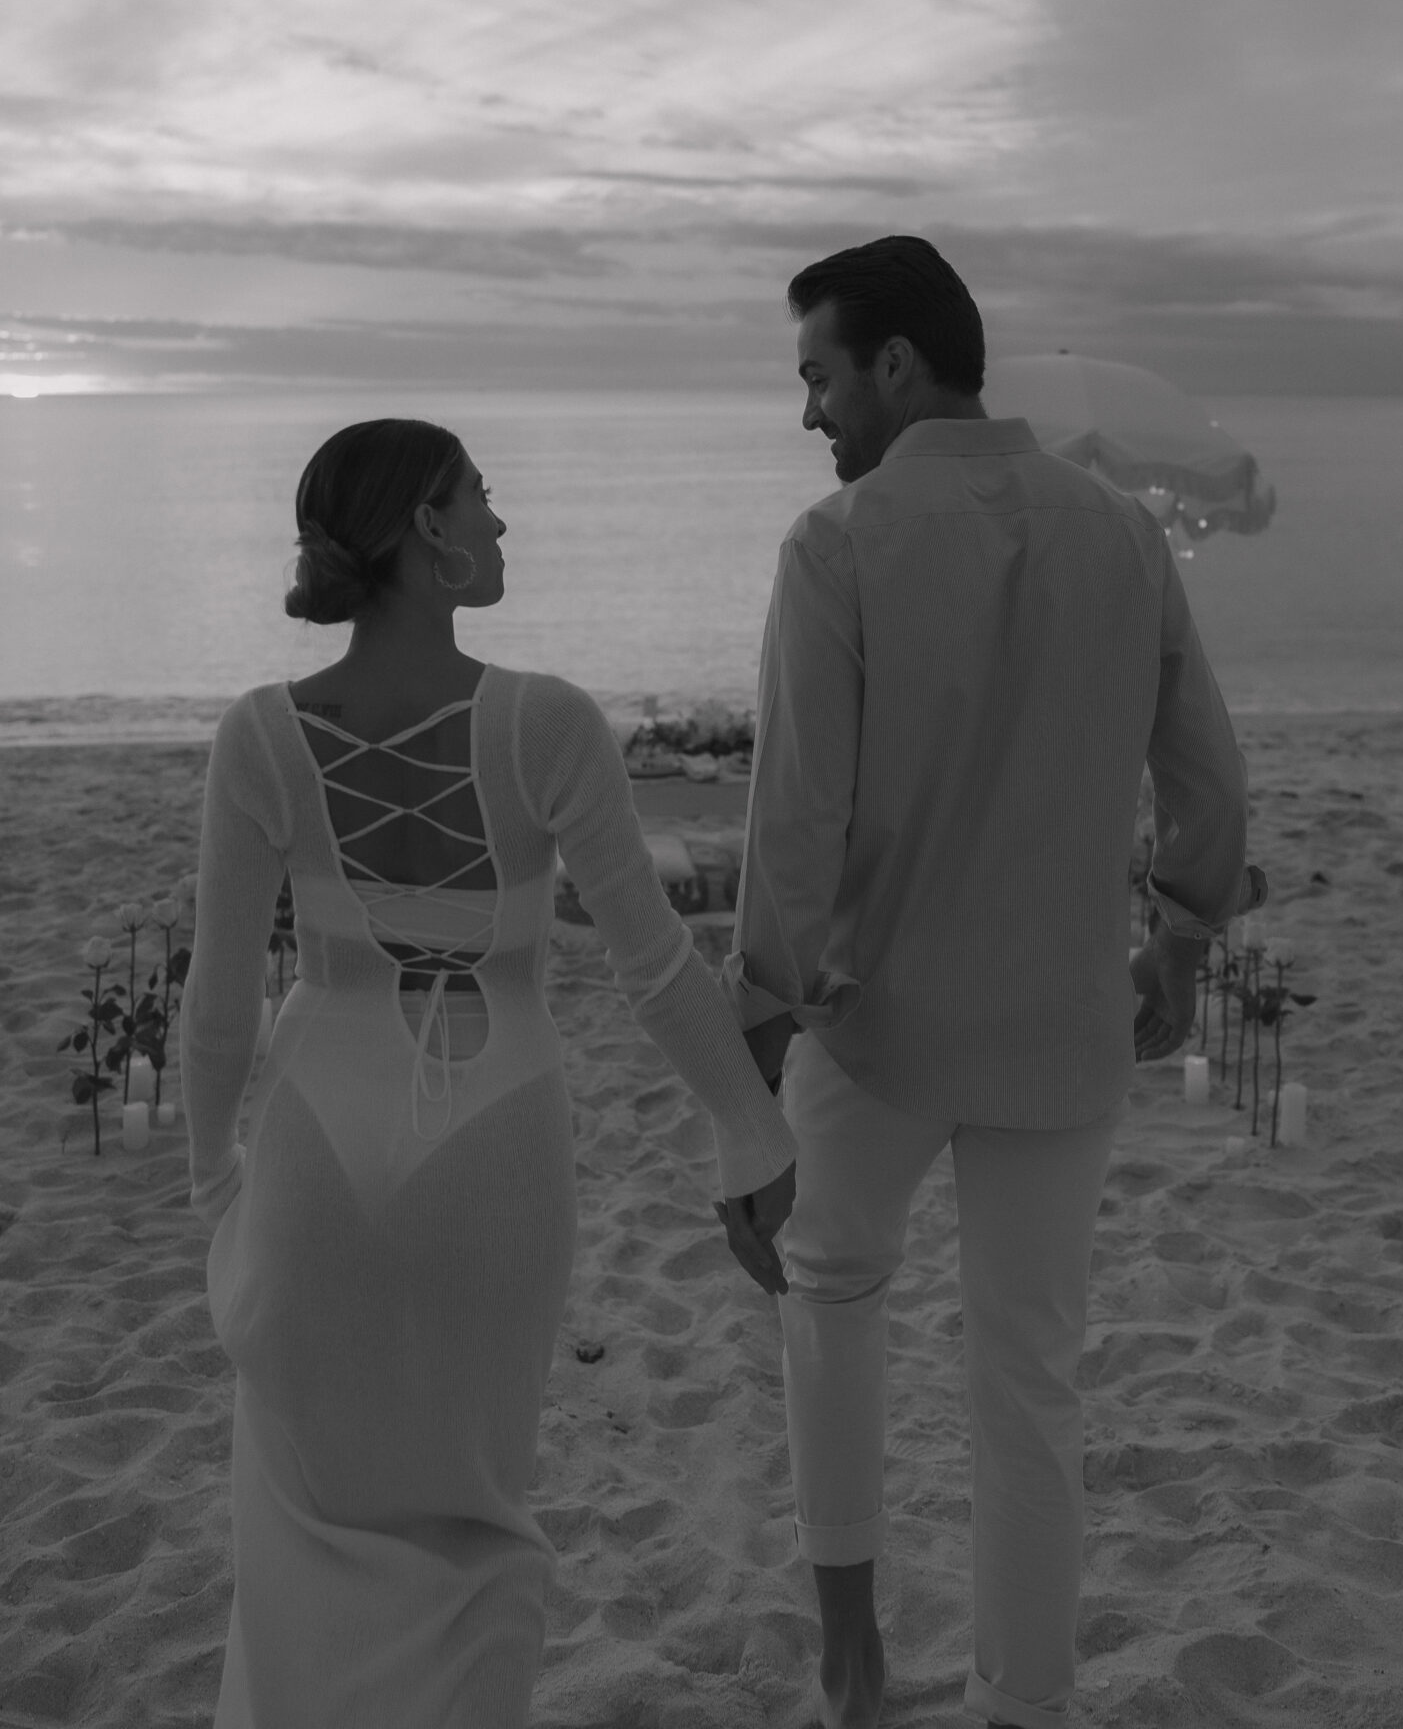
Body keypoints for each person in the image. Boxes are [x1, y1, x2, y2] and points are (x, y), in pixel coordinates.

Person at [180, 418, 797, 1729]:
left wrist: (211, 1191)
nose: (505, 527)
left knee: (306, 1540)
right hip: (497, 1163)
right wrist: (750, 1133)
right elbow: (654, 969)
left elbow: (219, 1005)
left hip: (313, 1169)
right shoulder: (549, 725)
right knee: (480, 1530)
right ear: (429, 535)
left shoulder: (258, 738)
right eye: (486, 500)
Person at [718, 237, 1250, 1729]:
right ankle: (1026, 1706)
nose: (811, 413)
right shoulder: (1125, 536)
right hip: (1062, 1029)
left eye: (819, 374)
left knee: (826, 1297)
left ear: (894, 364)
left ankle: (854, 1672)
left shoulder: (837, 549)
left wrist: (750, 1053)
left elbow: (795, 820)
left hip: (877, 1027)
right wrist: (1184, 941)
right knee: (1031, 1386)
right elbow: (1205, 769)